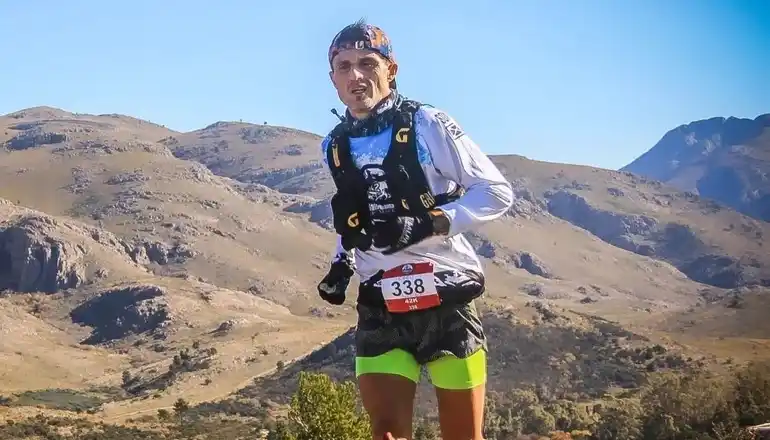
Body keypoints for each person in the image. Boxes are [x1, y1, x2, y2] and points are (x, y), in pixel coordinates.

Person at [316, 19, 514, 440]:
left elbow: (496, 192)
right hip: (380, 301)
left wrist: (429, 223)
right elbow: (355, 214)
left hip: (449, 297)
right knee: (385, 434)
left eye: (368, 63)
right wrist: (340, 263)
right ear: (332, 78)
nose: (356, 76)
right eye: (344, 66)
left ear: (391, 69)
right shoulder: (333, 145)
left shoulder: (428, 124)